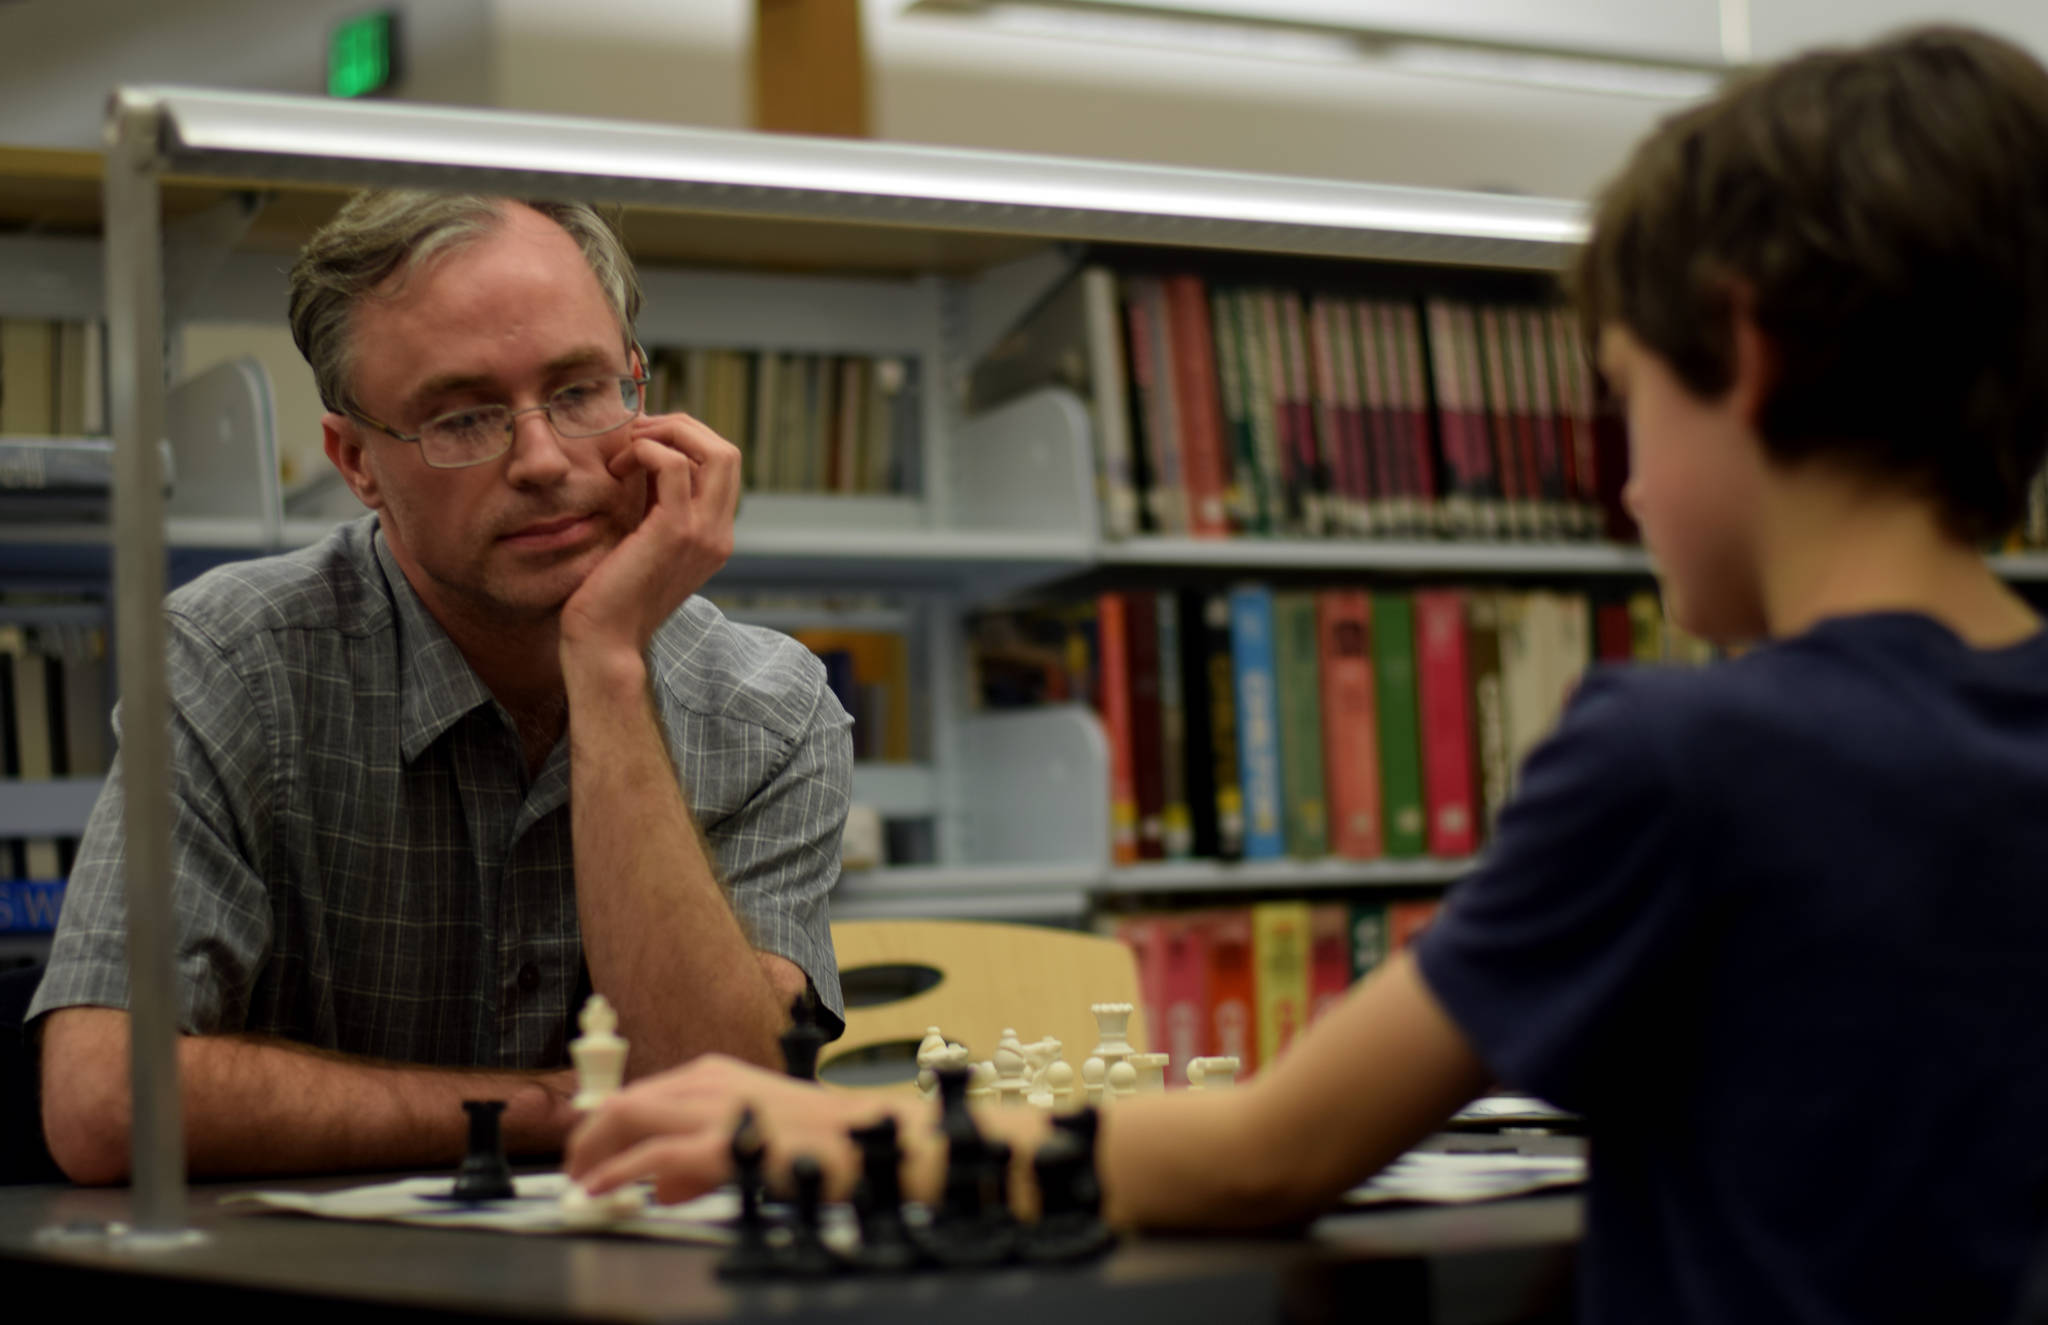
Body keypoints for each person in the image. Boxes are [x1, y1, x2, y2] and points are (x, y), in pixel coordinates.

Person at [562, 25, 2048, 1324]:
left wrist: (818, 1137)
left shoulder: (1692, 754)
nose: (1632, 490)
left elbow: (1261, 1154)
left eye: (1628, 400)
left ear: (1742, 346)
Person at [30, 193, 852, 1184]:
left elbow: (730, 1099)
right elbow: (105, 1104)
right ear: (356, 461)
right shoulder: (232, 659)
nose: (543, 460)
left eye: (582, 390)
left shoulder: (767, 704)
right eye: (462, 416)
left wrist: (603, 664)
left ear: (642, 390)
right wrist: (566, 1105)